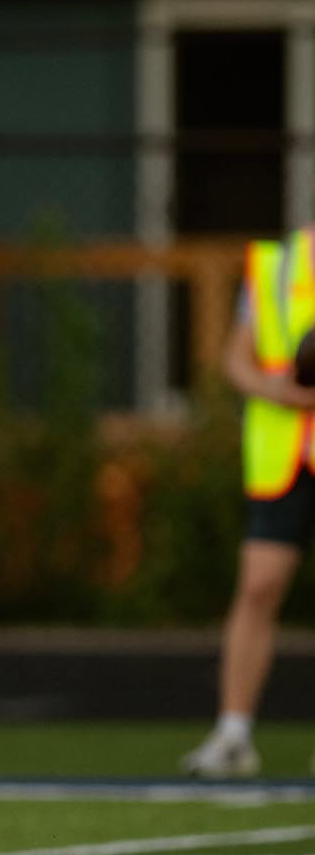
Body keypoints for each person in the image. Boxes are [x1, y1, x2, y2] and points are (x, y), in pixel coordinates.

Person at [182, 230, 315, 778]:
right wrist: (280, 391)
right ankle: (234, 733)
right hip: (281, 458)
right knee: (259, 585)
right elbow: (236, 361)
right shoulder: (275, 266)